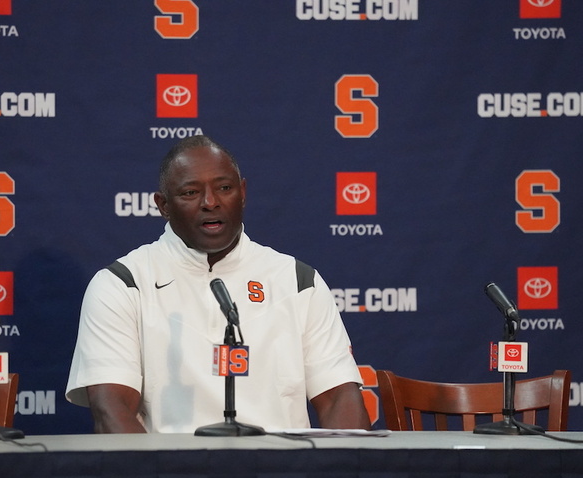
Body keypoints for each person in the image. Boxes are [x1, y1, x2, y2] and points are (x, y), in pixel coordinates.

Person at [66, 135, 371, 433]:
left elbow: (338, 398)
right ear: (163, 205)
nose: (210, 203)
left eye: (224, 188)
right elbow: (111, 410)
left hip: (282, 474)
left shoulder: (297, 279)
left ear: (243, 192)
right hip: (172, 474)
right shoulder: (123, 283)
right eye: (190, 193)